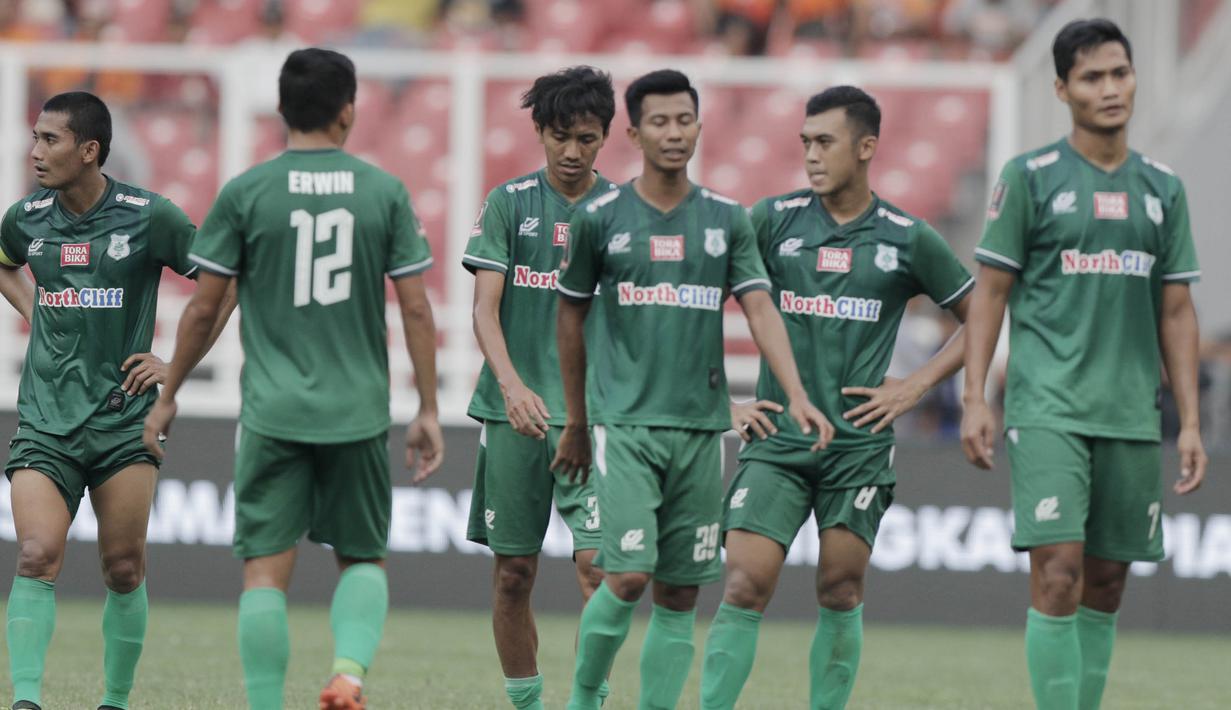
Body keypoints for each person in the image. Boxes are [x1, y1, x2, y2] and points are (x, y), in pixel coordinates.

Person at [142, 48, 444, 710]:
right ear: (348, 111)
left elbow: (205, 308)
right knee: (361, 557)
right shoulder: (384, 192)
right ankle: (348, 676)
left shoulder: (247, 191)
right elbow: (417, 309)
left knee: (264, 574)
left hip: (272, 412)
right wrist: (428, 407)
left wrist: (170, 394)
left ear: (281, 109)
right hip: (356, 411)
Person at [553, 68, 834, 710]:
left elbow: (759, 306)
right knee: (627, 575)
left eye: (684, 120)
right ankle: (584, 699)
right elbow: (569, 318)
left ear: (700, 128)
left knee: (680, 594)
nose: (674, 133)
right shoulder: (599, 218)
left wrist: (795, 393)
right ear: (634, 133)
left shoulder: (726, 219)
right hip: (626, 426)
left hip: (702, 433)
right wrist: (576, 419)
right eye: (659, 121)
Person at [697, 85, 974, 710]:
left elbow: (981, 313)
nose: (812, 155)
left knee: (841, 589)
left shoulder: (907, 236)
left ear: (866, 147)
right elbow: (696, 303)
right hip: (776, 441)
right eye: (805, 143)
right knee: (743, 584)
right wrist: (723, 402)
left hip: (858, 449)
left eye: (825, 142)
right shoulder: (771, 219)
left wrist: (917, 384)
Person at [959, 18, 1206, 710]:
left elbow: (1176, 311)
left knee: (1106, 584)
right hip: (1047, 407)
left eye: (1119, 73)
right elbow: (989, 293)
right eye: (1092, 77)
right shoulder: (1029, 177)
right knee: (1059, 574)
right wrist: (975, 396)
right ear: (1062, 90)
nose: (1110, 88)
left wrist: (1189, 420)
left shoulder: (1162, 187)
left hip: (1130, 413)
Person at [0, 90, 232, 710]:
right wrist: (36, 311)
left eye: (49, 139)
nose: (35, 150)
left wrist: (175, 366)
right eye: (35, 137)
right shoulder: (25, 217)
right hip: (45, 419)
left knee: (124, 566)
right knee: (36, 554)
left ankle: (116, 701)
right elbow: (3, 264)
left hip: (123, 419)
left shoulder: (149, 216)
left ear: (90, 150)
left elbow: (224, 280)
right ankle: (26, 700)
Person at [462, 65, 617, 710]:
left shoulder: (624, 212)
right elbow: (483, 310)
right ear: (539, 131)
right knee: (513, 574)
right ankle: (527, 704)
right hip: (515, 413)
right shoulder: (508, 202)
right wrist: (511, 385)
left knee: (599, 569)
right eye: (560, 136)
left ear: (606, 136)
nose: (573, 151)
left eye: (587, 138)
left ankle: (587, 701)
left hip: (594, 418)